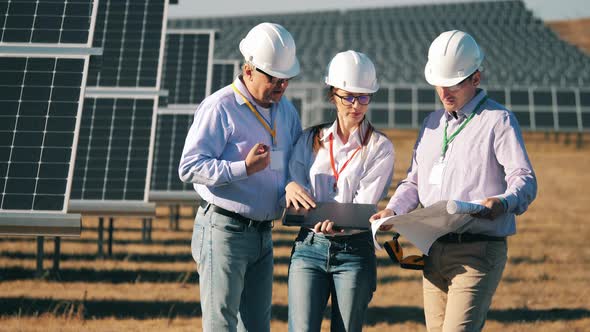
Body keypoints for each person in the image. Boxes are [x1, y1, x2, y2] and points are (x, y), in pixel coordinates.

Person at [371, 30, 537, 331]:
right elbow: (414, 182)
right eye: (439, 84)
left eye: (454, 84)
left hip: (478, 251)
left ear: (476, 78)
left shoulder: (498, 120)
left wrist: (502, 202)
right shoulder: (431, 124)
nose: (445, 93)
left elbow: (524, 179)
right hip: (434, 251)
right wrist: (392, 211)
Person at [178, 22, 302, 332]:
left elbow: (295, 163)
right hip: (225, 231)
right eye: (273, 78)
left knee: (258, 327)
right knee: (221, 326)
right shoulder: (220, 108)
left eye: (286, 80)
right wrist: (242, 168)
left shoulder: (286, 111)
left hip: (263, 235)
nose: (281, 86)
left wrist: (292, 182)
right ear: (248, 71)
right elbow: (190, 166)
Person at [285, 50, 394, 332]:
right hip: (309, 247)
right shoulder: (310, 139)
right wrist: (290, 187)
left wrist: (330, 216)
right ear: (333, 94)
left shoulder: (379, 148)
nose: (356, 105)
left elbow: (362, 205)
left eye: (364, 97)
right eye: (348, 96)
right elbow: (296, 188)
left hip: (354, 252)